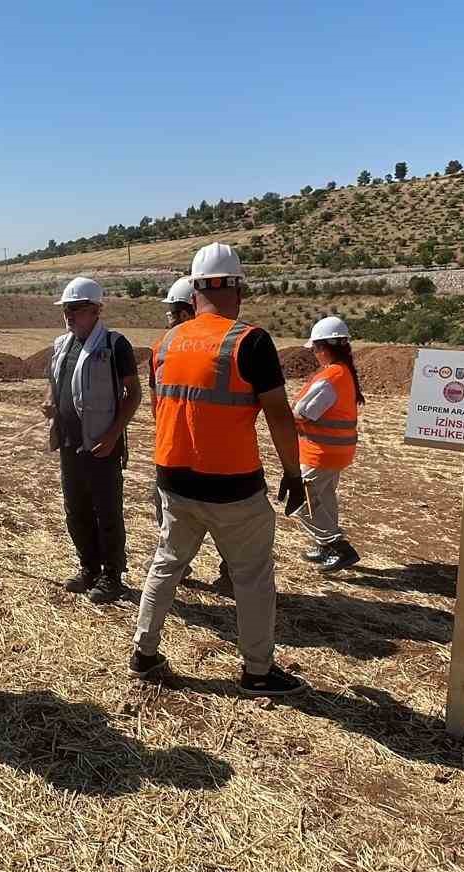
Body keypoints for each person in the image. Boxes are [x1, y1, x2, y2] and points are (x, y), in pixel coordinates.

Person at [131, 243, 311, 697]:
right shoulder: (250, 341)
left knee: (167, 563)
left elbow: (161, 412)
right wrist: (293, 471)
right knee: (252, 578)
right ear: (237, 288)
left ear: (193, 292)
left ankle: (144, 652)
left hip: (173, 478)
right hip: (233, 487)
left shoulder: (164, 344)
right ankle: (256, 671)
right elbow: (278, 414)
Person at [42, 276, 142, 602]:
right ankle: (90, 569)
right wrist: (49, 400)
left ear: (97, 310)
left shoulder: (115, 345)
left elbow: (134, 394)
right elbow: (55, 382)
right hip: (70, 445)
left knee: (107, 512)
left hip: (102, 446)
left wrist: (114, 435)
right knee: (76, 510)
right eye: (66, 310)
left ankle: (113, 576)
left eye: (77, 309)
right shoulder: (62, 345)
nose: (70, 316)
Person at [149, 276, 231, 593]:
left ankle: (179, 568)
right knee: (223, 519)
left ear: (185, 314)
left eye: (170, 313)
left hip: (177, 455)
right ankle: (228, 573)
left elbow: (159, 408)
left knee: (177, 517)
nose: (167, 320)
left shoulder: (164, 350)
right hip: (214, 455)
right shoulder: (229, 344)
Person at [293, 316, 365, 572]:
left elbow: (303, 412)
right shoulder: (343, 372)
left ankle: (336, 546)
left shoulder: (331, 377)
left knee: (299, 501)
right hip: (336, 452)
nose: (313, 353)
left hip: (321, 454)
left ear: (324, 347)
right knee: (323, 498)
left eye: (314, 349)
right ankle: (325, 547)